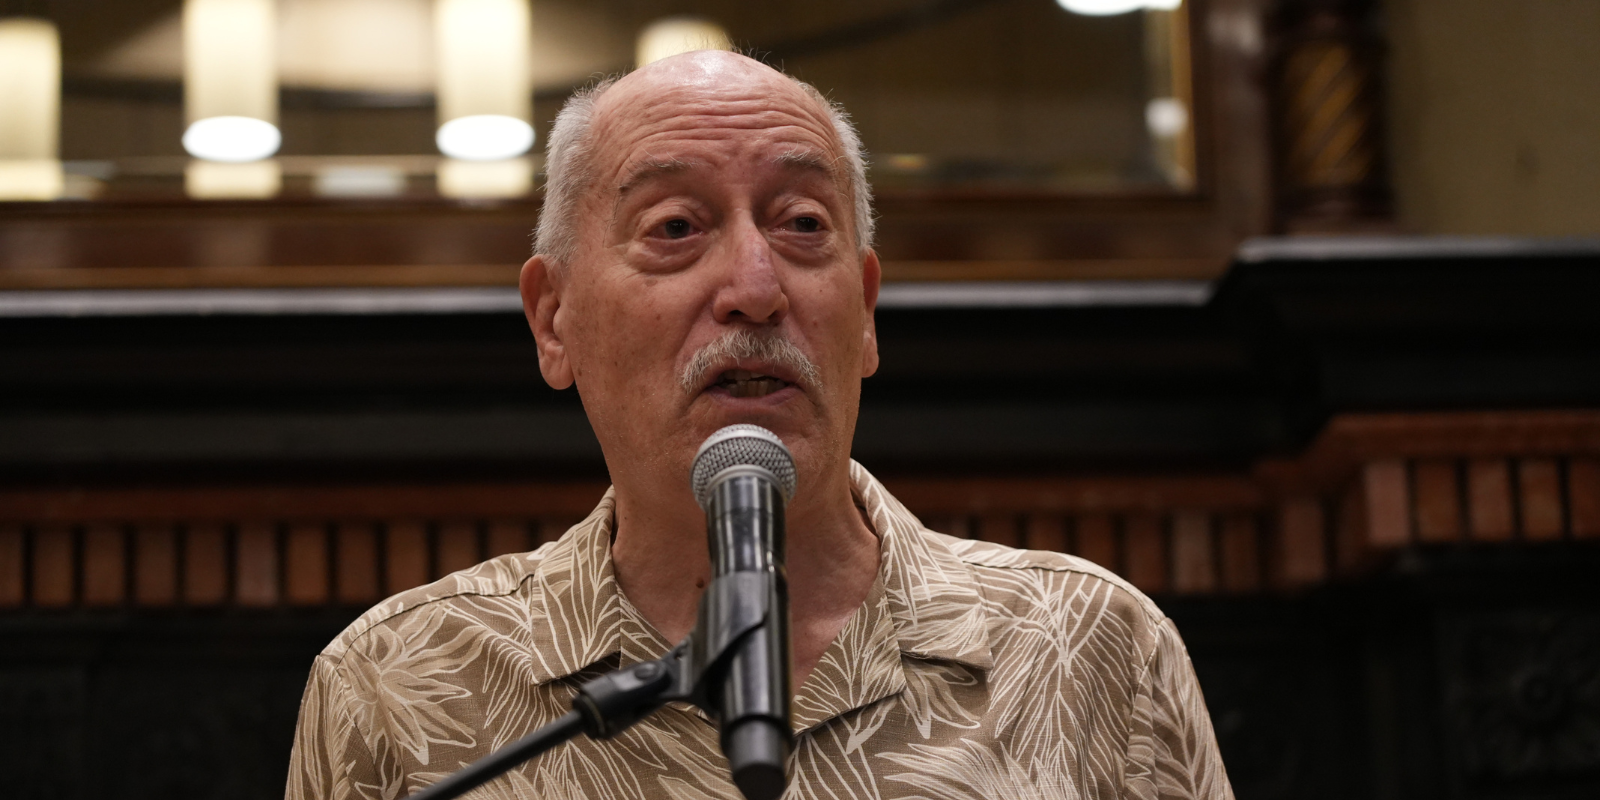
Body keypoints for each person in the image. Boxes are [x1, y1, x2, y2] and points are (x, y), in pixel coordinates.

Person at [286, 50, 1233, 800]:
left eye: (803, 224)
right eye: (674, 228)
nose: (754, 288)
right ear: (554, 320)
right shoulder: (395, 684)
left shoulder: (1091, 646)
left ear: (864, 314)